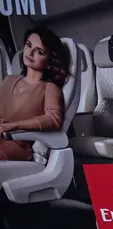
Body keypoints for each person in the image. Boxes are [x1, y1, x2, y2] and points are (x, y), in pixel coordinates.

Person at [0, 27, 68, 162]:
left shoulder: (49, 87)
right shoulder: (9, 80)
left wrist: (11, 126)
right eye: (28, 45)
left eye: (39, 51)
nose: (30, 52)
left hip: (17, 146)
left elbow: (54, 119)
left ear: (50, 60)